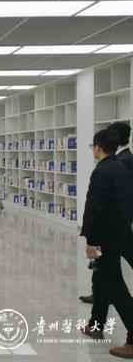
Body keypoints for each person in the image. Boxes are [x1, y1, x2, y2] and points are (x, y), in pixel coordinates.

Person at [79, 129, 133, 358]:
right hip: (120, 233)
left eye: (92, 146)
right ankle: (96, 325)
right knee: (101, 280)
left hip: (104, 239)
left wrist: (91, 241)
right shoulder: (122, 167)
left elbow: (94, 207)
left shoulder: (101, 171)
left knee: (115, 286)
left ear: (98, 147)